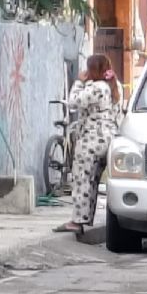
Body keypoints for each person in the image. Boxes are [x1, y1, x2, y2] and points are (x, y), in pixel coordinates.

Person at [53, 55, 121, 234]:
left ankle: (77, 221)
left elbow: (74, 103)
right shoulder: (114, 85)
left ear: (94, 70)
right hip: (108, 138)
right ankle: (85, 218)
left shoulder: (96, 87)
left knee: (82, 179)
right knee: (94, 180)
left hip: (91, 139)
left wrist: (78, 82)